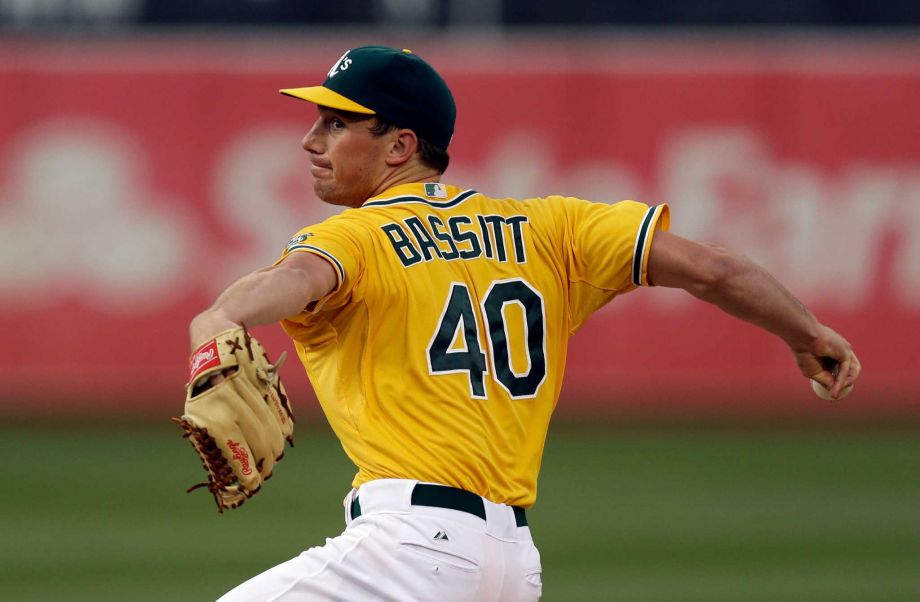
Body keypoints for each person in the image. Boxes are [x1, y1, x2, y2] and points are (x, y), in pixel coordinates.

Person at [189, 45, 861, 601]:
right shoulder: (553, 228)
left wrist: (218, 318)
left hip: (408, 551)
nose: (310, 139)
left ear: (399, 145)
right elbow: (714, 268)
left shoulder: (358, 238)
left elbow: (293, 281)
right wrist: (808, 335)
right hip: (511, 567)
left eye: (337, 123)